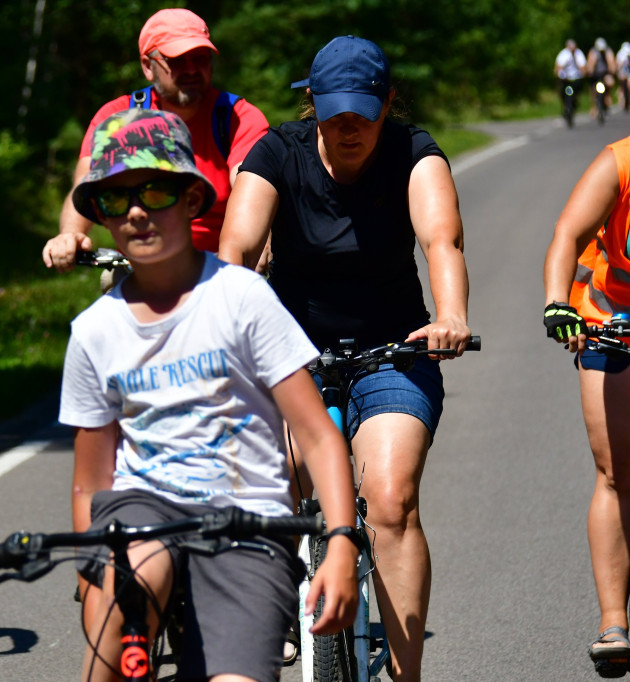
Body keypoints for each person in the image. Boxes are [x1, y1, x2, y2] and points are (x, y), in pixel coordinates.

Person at [59, 107, 359, 682]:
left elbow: (319, 437)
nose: (138, 212)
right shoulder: (94, 331)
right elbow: (92, 478)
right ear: (100, 216)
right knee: (127, 580)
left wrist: (341, 541)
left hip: (247, 520)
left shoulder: (240, 299)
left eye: (155, 192)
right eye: (117, 200)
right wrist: (88, 568)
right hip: (147, 506)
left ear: (193, 200)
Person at [218, 36, 472, 682]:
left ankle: (407, 673)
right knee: (290, 482)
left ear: (389, 102)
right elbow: (238, 247)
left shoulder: (416, 154)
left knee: (389, 499)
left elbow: (441, 240)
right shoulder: (277, 152)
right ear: (313, 104)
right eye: (334, 113)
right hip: (291, 353)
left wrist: (450, 317)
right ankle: (276, 605)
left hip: (394, 350)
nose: (348, 127)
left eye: (363, 111)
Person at [542, 43, 630, 676]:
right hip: (619, 329)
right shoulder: (621, 162)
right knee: (621, 472)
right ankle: (614, 621)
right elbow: (567, 238)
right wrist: (558, 304)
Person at [42, 8, 269, 272]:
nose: (192, 69)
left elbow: (253, 188)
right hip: (142, 266)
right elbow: (86, 183)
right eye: (178, 61)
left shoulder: (237, 117)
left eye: (201, 58)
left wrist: (259, 238)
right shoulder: (117, 119)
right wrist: (70, 234)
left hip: (223, 265)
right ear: (148, 66)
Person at [555, 38, 587, 121]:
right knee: (562, 92)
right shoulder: (563, 54)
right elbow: (558, 67)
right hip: (565, 79)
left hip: (575, 78)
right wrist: (560, 74)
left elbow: (583, 66)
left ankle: (575, 103)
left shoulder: (579, 54)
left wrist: (582, 72)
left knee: (577, 91)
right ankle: (566, 107)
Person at [586, 37, 618, 116]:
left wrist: (611, 72)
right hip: (596, 75)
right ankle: (594, 106)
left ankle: (607, 97)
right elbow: (590, 65)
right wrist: (590, 72)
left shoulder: (608, 52)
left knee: (610, 83)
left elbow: (612, 64)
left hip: (605, 74)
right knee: (593, 89)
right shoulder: (593, 52)